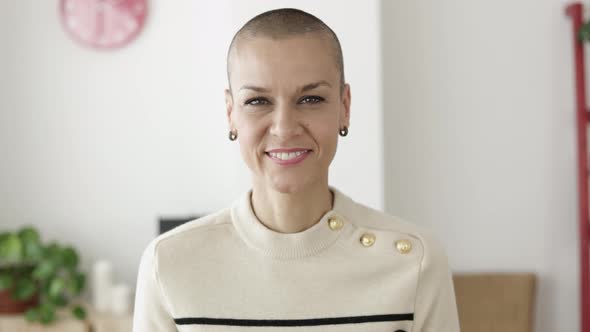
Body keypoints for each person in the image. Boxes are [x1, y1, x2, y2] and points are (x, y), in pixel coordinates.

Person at [132, 8, 460, 332]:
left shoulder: (414, 260)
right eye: (258, 102)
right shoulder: (168, 264)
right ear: (231, 113)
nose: (285, 128)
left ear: (344, 108)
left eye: (311, 99)